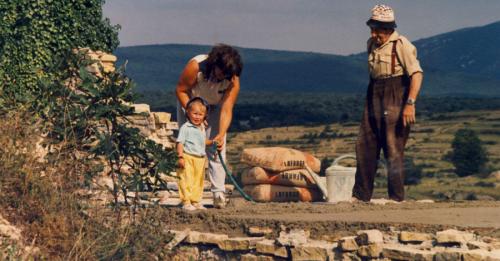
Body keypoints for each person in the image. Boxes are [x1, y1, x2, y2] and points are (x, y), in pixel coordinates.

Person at [352, 4, 423, 202]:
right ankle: (360, 195)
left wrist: (410, 103)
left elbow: (417, 74)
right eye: (372, 29)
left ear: (388, 29)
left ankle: (396, 197)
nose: (374, 34)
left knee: (393, 146)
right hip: (374, 91)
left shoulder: (401, 44)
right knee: (364, 143)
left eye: (377, 30)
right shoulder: (371, 44)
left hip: (396, 93)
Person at [176, 44, 243, 208]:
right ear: (215, 64)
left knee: (216, 148)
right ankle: (188, 196)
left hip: (213, 107)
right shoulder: (196, 66)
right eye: (222, 73)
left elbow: (227, 109)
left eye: (228, 75)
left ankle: (218, 194)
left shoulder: (232, 80)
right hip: (191, 104)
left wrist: (221, 133)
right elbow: (181, 90)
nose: (224, 77)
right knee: (189, 148)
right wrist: (192, 113)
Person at [176, 97, 213, 211]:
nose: (197, 117)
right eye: (195, 113)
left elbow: (202, 141)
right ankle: (186, 201)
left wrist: (212, 142)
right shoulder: (185, 127)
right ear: (188, 112)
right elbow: (180, 142)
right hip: (188, 156)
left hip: (200, 158)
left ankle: (195, 201)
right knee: (186, 179)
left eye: (201, 114)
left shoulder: (201, 127)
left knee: (198, 181)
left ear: (205, 116)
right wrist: (180, 156)